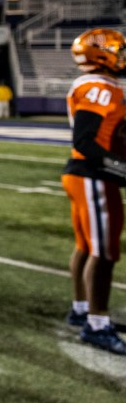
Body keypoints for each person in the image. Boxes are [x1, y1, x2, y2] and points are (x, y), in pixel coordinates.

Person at [62, 27, 126, 354]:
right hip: (93, 174)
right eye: (119, 50)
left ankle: (82, 308)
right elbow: (85, 142)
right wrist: (121, 168)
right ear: (103, 54)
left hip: (86, 174)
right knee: (104, 252)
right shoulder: (98, 86)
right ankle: (96, 323)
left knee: (88, 247)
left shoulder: (101, 85)